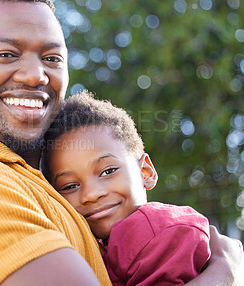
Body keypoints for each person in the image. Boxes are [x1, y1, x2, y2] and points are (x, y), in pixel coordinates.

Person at [0, 0, 244, 286]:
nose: (34, 75)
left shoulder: (39, 185)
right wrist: (226, 276)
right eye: (6, 54)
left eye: (52, 58)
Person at [42, 91, 211, 285]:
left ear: (145, 172)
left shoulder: (157, 235)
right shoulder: (96, 244)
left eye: (108, 171)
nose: (92, 194)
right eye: (70, 185)